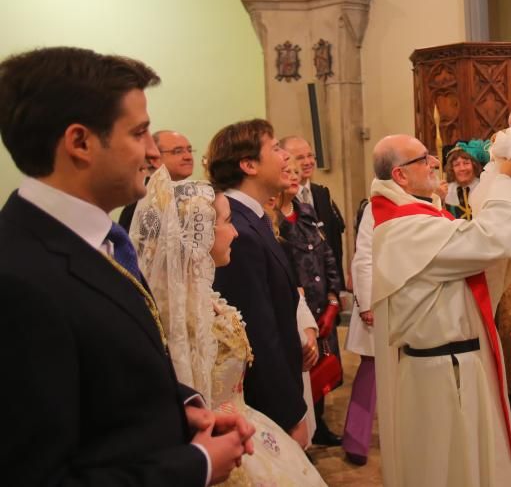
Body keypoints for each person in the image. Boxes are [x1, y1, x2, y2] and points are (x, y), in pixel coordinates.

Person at [0, 46, 250, 485]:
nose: (154, 153)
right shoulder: (17, 279)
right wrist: (197, 466)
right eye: (139, 133)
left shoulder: (100, 240)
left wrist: (183, 408)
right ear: (80, 143)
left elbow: (100, 377)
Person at [131, 166, 327, 486]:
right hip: (217, 437)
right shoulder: (179, 320)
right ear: (198, 233)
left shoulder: (209, 298)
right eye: (225, 222)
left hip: (247, 422)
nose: (235, 232)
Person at [369, 134, 511, 486]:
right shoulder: (406, 228)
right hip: (440, 374)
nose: (433, 163)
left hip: (457, 366)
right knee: (446, 470)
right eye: (423, 158)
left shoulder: (420, 217)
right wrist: (502, 178)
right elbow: (492, 240)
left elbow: (474, 262)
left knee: (467, 465)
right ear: (399, 175)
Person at [206, 120, 311, 447]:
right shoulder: (239, 228)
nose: (287, 159)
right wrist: (288, 414)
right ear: (249, 165)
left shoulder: (252, 220)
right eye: (276, 148)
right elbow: (257, 335)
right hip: (265, 410)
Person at [275, 159, 344, 447]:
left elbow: (327, 255)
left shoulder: (306, 213)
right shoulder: (272, 220)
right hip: (297, 307)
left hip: (320, 303)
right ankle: (299, 437)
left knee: (321, 370)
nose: (294, 178)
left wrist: (333, 300)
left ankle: (320, 426)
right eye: (286, 173)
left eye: (296, 174)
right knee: (300, 373)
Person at [280, 135, 348, 288]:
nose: (308, 162)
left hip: (327, 288)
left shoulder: (322, 194)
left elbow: (332, 242)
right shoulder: (279, 201)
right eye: (299, 158)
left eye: (310, 155)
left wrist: (338, 288)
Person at [342, 197, 376, 465]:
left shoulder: (433, 201)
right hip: (377, 302)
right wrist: (366, 303)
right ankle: (356, 439)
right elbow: (363, 256)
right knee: (370, 371)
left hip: (412, 303)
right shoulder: (377, 205)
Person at [439, 139, 490, 219]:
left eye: (466, 163)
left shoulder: (485, 187)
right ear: (452, 169)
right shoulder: (447, 191)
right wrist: (439, 199)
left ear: (474, 166)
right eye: (456, 165)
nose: (462, 168)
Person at [119, 149, 163, 231]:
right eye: (178, 151)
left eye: (189, 150)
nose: (188, 157)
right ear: (154, 160)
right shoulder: (142, 200)